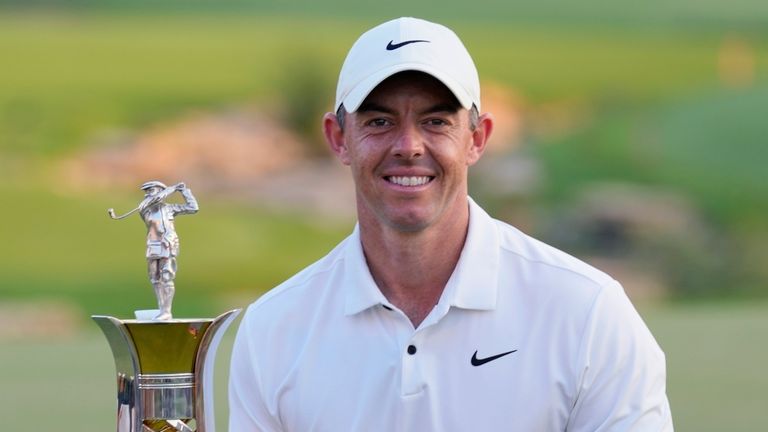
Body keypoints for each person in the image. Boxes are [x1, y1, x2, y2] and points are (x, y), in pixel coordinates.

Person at [229, 17, 672, 431]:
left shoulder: (588, 313)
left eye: (436, 121)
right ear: (338, 138)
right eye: (380, 121)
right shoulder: (273, 329)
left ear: (476, 139)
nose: (408, 146)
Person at [138, 180, 198, 320]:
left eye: (150, 190)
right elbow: (156, 198)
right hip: (153, 245)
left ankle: (166, 311)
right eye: (146, 191)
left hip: (168, 244)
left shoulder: (170, 208)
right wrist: (173, 188)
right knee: (155, 278)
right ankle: (161, 309)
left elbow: (193, 207)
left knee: (167, 277)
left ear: (160, 190)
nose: (147, 194)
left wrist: (184, 191)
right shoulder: (144, 207)